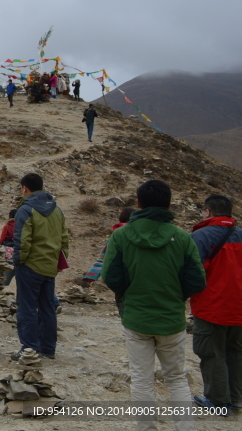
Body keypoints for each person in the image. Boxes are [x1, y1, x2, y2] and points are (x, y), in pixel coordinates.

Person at [102, 180, 207, 431]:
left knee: (141, 380)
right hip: (171, 319)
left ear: (138, 203)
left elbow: (111, 276)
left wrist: (131, 294)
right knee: (177, 379)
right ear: (169, 204)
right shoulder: (182, 237)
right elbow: (196, 280)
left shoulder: (121, 234)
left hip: (136, 318)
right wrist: (175, 296)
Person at [189, 194, 242, 413]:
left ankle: (216, 400)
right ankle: (236, 398)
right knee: (235, 351)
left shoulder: (201, 236)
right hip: (241, 306)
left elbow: (193, 273)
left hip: (212, 306)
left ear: (208, 212)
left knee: (211, 352)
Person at [12, 173, 69, 359]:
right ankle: (48, 349)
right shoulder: (57, 210)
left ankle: (29, 349)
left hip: (30, 267)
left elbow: (22, 241)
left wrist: (18, 262)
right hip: (49, 267)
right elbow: (64, 240)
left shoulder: (26, 210)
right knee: (47, 307)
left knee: (27, 308)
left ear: (24, 188)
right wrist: (58, 262)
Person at [83, 207, 134, 285]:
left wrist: (91, 275)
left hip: (121, 274)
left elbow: (104, 255)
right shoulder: (142, 232)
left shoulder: (118, 233)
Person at [0, 209, 17, 285]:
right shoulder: (22, 226)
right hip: (18, 251)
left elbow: (1, 240)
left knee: (4, 276)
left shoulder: (7, 227)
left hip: (8, 252)